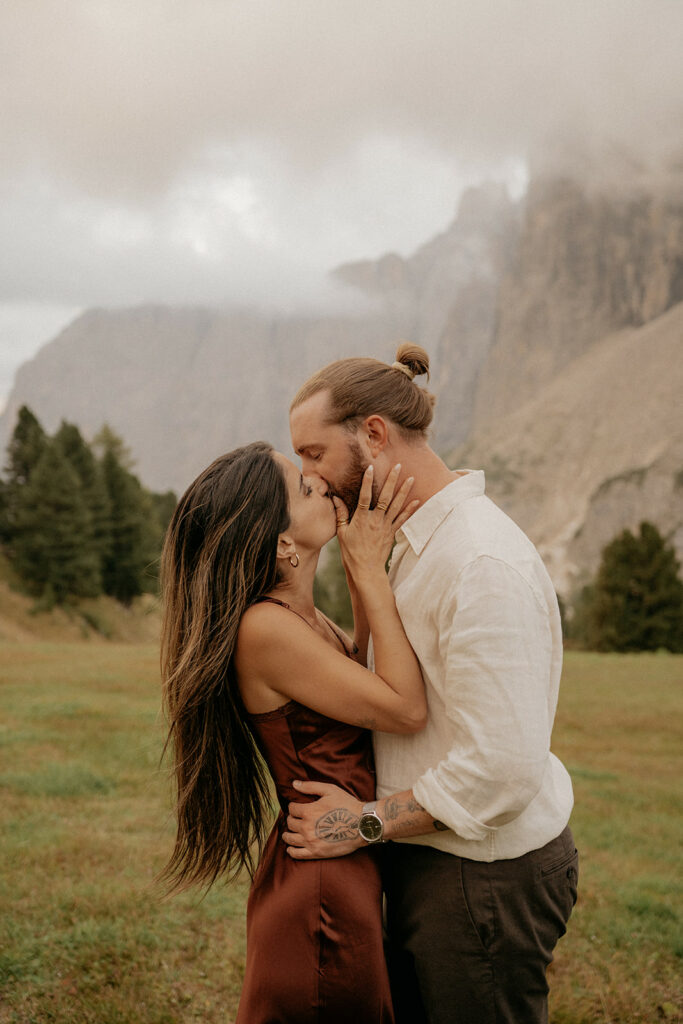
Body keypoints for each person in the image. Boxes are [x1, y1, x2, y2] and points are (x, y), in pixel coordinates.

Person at [285, 342, 579, 1024]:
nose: (311, 478)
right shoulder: (419, 544)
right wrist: (365, 570)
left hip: (480, 879)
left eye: (314, 454)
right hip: (436, 860)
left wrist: (361, 823)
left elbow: (501, 768)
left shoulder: (478, 560)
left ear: (375, 435)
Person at [159, 440, 426, 1024]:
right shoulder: (264, 629)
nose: (321, 482)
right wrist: (368, 570)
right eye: (305, 489)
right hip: (322, 886)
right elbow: (404, 707)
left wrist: (362, 566)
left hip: (340, 855)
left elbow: (364, 669)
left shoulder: (302, 620)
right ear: (284, 544)